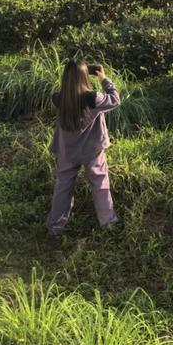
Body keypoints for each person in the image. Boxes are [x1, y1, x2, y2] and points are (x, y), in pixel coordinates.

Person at [46, 59, 121, 236]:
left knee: (63, 187)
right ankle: (108, 223)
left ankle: (55, 227)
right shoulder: (93, 98)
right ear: (83, 76)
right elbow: (115, 99)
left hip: (67, 152)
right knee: (100, 184)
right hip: (92, 151)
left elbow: (70, 93)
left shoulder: (58, 98)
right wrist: (103, 78)